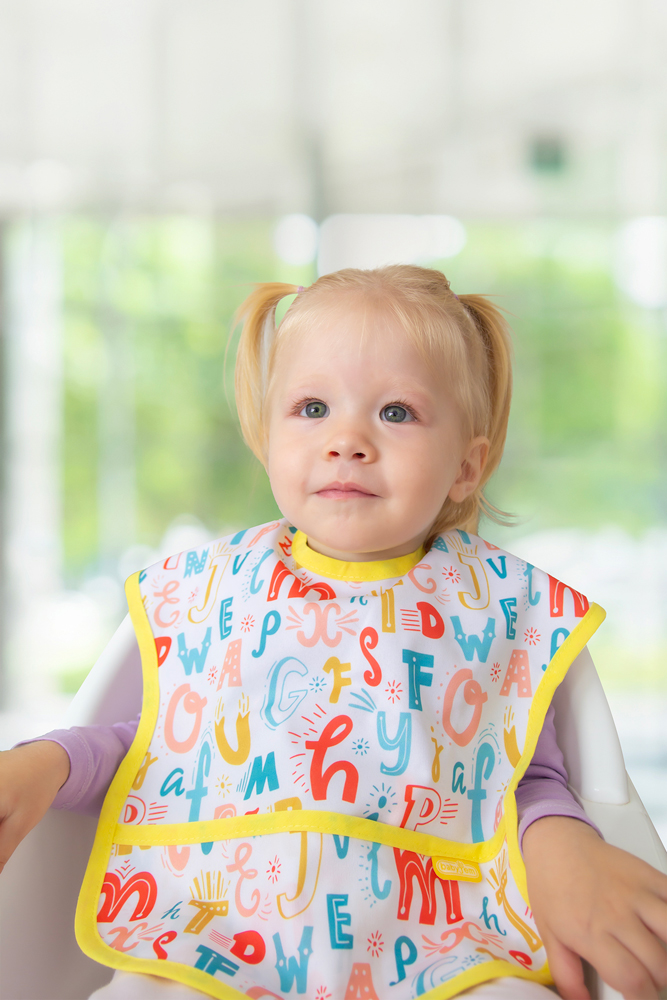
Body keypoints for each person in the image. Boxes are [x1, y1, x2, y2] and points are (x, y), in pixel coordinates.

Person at [1, 266, 665, 1000]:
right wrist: (43, 765)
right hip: (216, 934)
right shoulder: (218, 593)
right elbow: (156, 746)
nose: (346, 439)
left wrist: (561, 844)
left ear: (466, 468)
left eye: (396, 413)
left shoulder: (493, 608)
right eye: (312, 407)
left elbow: (515, 771)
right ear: (265, 437)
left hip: (440, 945)